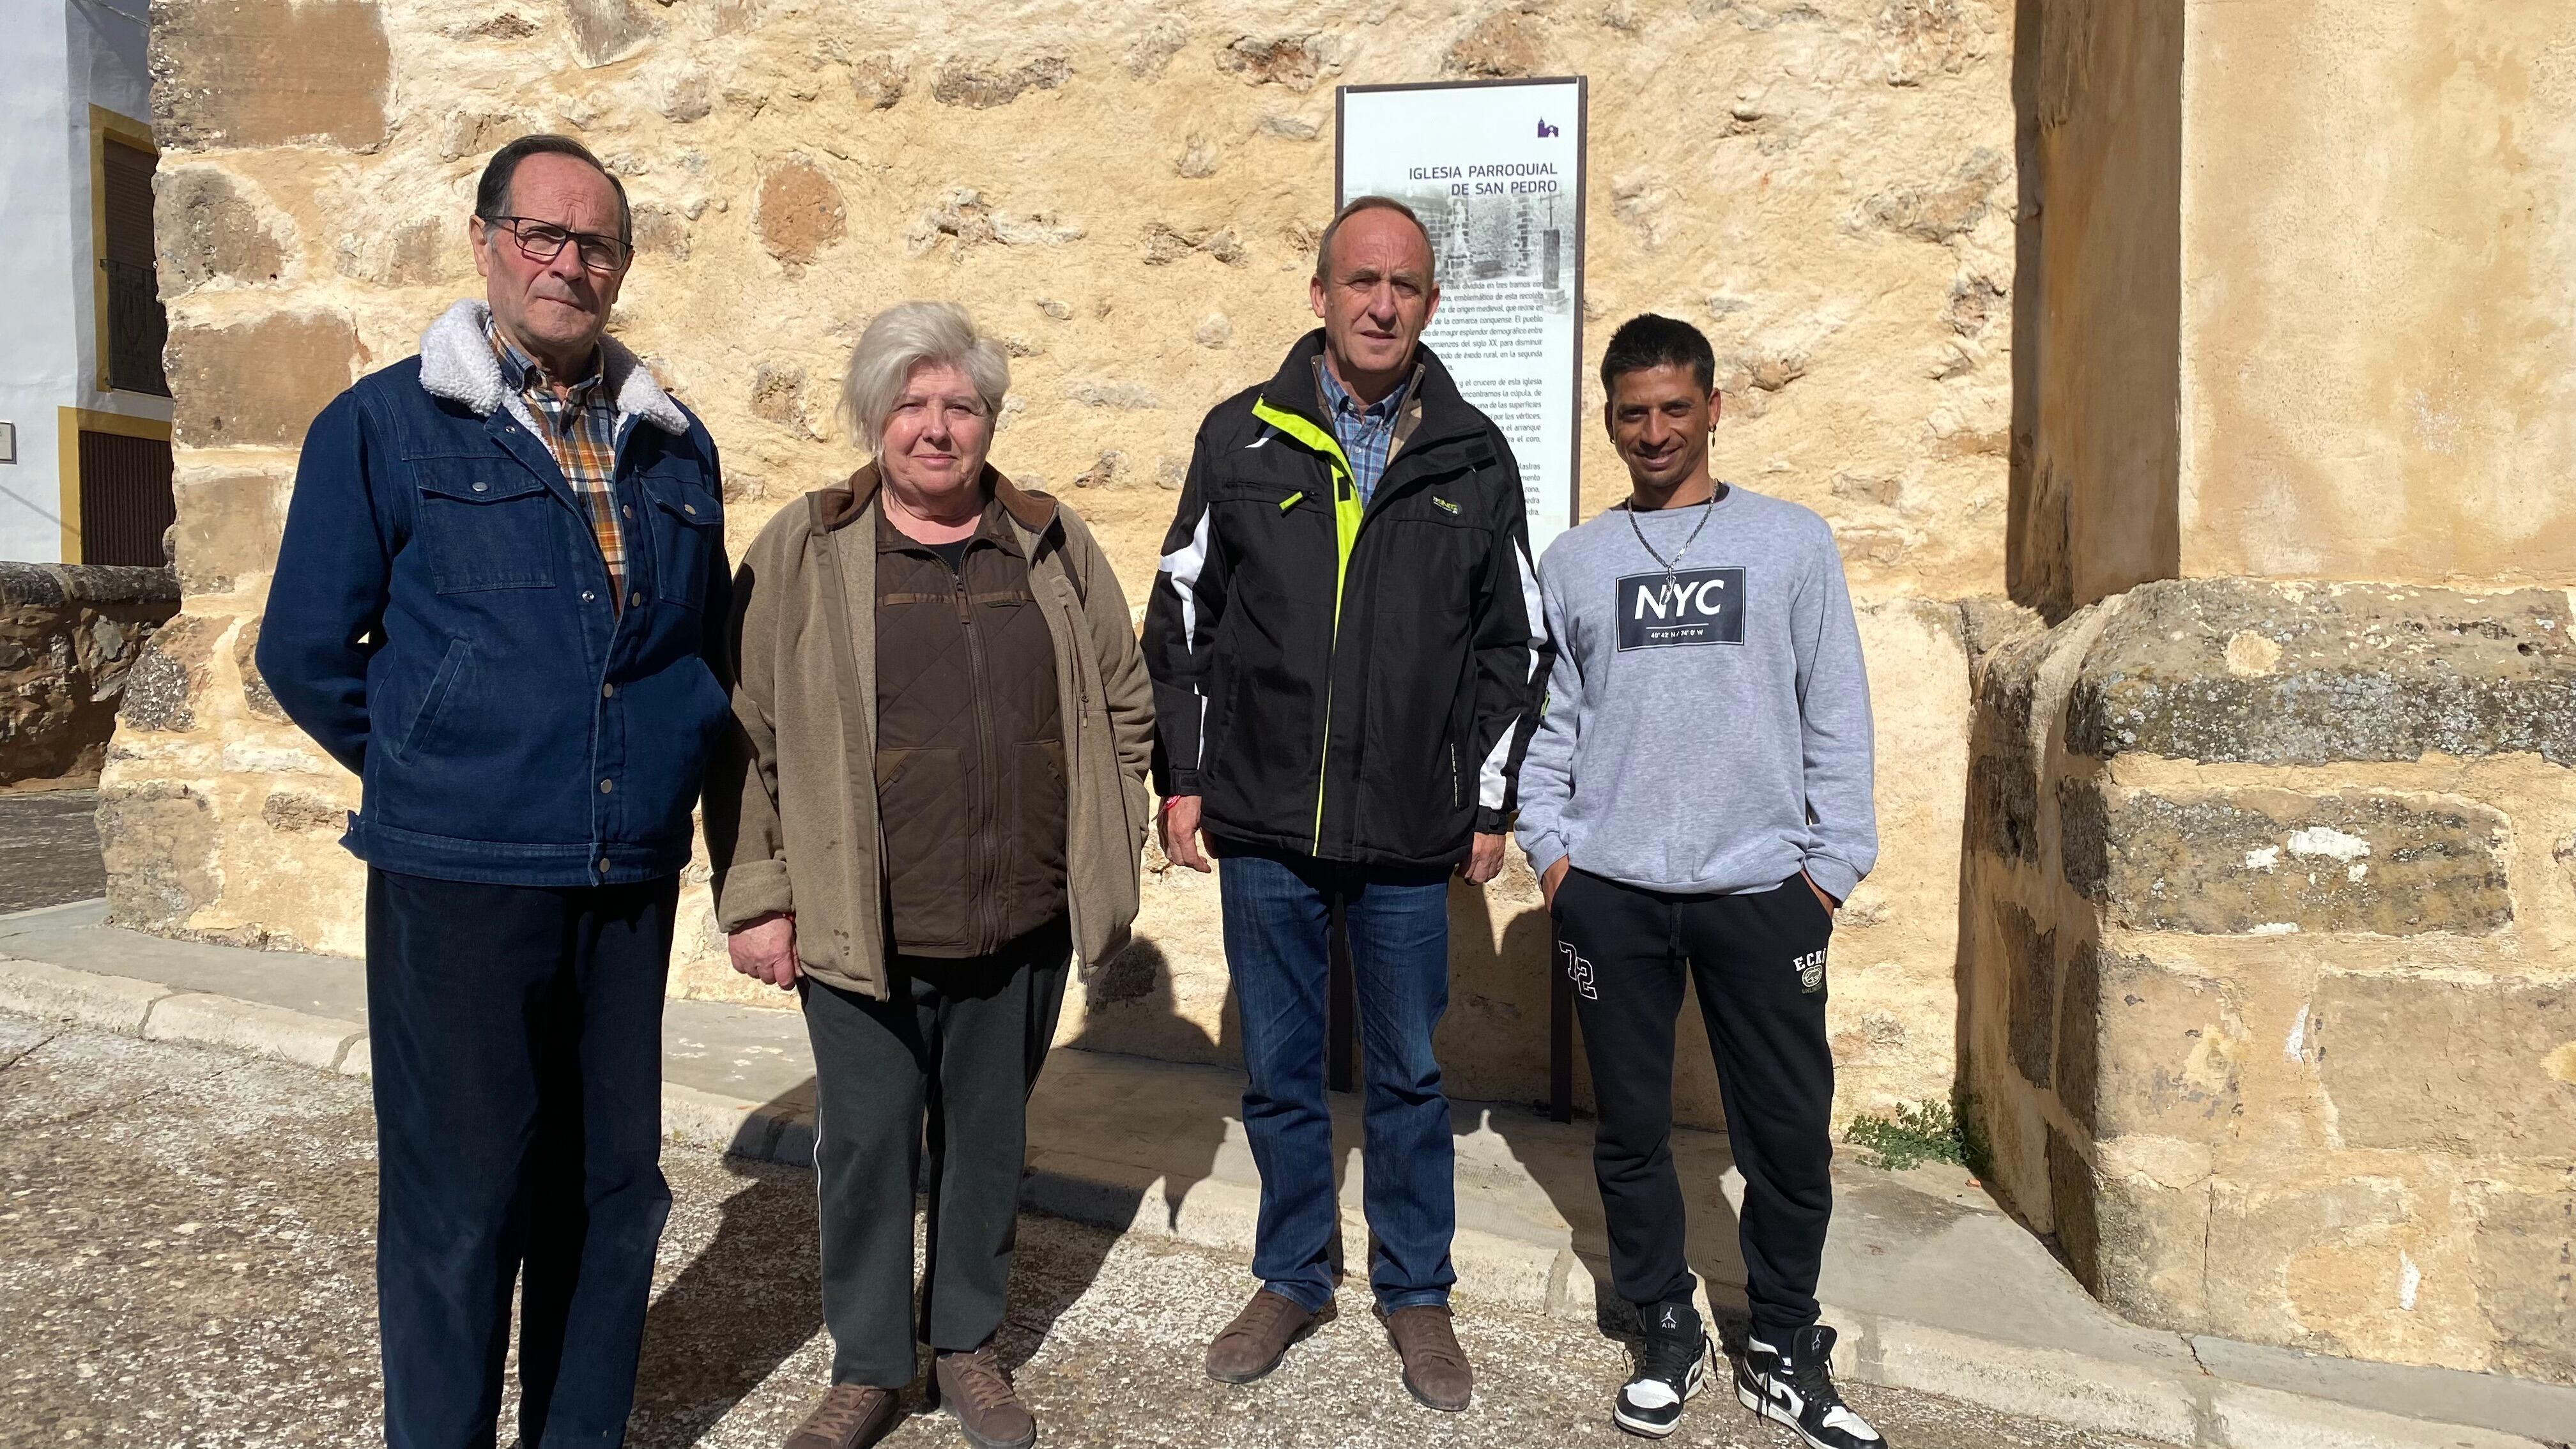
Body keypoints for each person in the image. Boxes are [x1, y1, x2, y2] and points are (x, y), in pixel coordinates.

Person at [257, 135, 730, 1447]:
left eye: (597, 245)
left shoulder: (675, 451)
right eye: (543, 233)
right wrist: (439, 767)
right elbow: (305, 651)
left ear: (620, 269)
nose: (568, 263)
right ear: (486, 241)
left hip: (624, 883)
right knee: (459, 1206)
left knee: (606, 1196)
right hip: (456, 881)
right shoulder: (385, 425)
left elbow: (703, 667)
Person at [706, 302, 1154, 1449]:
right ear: (875, 419)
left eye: (961, 406)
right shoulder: (804, 549)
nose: (937, 429)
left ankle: (966, 1346)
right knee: (863, 1149)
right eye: (912, 405)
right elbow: (740, 737)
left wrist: (1110, 828)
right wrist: (760, 898)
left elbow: (1123, 699)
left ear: (991, 419)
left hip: (1019, 919)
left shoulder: (1051, 544)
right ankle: (868, 1366)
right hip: (864, 931)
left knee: (987, 1144)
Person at [1143, 195, 1547, 1412]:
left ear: (1431, 304)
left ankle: (1416, 1293)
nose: (1382, 304)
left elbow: (1512, 644)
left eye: (1406, 286)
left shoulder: (1473, 457)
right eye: (1361, 281)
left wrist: (1486, 801)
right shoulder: (1242, 440)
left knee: (1413, 1074)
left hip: (1411, 834)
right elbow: (1180, 619)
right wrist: (1185, 774)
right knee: (1277, 1068)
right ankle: (1294, 1272)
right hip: (1264, 826)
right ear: (1319, 296)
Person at [1514, 314, 1884, 1446]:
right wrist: (1555, 853)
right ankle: (1663, 1325)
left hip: (1764, 889)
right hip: (1613, 890)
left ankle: (1782, 1342)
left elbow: (1837, 707)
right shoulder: (1576, 560)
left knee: (1784, 1130)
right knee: (1630, 1127)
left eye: (1677, 408)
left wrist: (1831, 868)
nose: (1656, 430)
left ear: (1714, 408)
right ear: (1611, 420)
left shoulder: (1790, 543)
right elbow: (1550, 720)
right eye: (1634, 413)